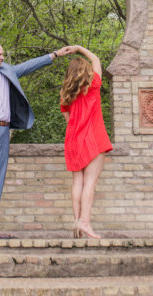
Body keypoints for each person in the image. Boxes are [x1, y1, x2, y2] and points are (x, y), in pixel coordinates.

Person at [0, 41, 69, 239]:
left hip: (3, 132)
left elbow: (28, 66)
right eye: (0, 55)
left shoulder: (7, 71)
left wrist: (54, 54)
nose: (3, 58)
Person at [59, 45, 113, 239]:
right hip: (94, 138)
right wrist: (79, 49)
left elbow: (69, 120)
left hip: (74, 139)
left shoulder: (65, 94)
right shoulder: (94, 85)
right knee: (90, 182)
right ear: (86, 72)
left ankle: (77, 221)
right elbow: (97, 60)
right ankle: (85, 222)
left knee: (77, 182)